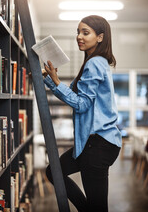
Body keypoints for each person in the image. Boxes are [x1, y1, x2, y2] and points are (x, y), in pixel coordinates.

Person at [43, 15, 122, 212]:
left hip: (98, 144)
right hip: (95, 143)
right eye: (78, 32)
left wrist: (57, 83)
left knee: (96, 206)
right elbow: (73, 96)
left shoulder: (94, 63)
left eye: (85, 32)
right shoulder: (95, 62)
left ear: (100, 37)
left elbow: (82, 104)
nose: (79, 36)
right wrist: (52, 80)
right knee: (54, 171)